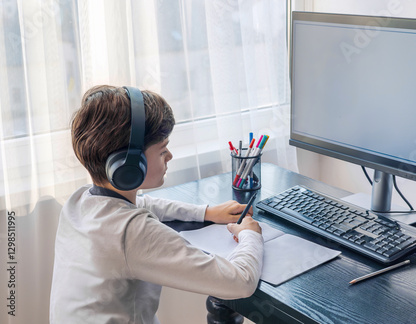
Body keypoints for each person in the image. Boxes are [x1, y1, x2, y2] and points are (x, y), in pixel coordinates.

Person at [50, 85, 264, 323]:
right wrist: (250, 234)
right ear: (129, 165)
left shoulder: (79, 201)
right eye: (162, 150)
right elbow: (241, 283)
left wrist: (207, 213)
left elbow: (145, 204)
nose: (169, 155)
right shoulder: (130, 233)